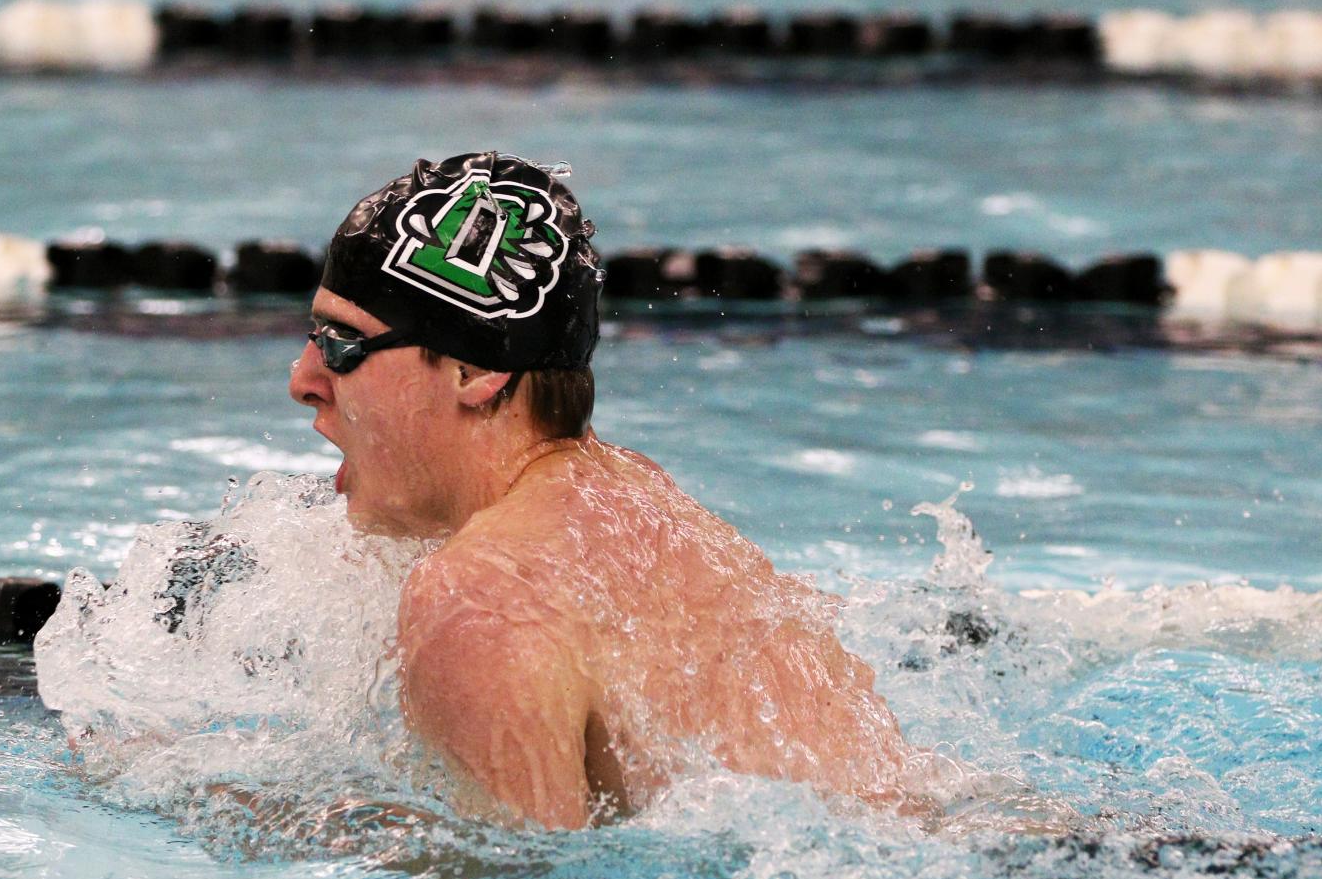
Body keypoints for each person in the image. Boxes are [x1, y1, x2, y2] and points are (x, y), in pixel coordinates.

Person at [288, 152, 925, 830]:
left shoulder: (476, 596)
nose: (302, 379)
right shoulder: (631, 491)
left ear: (473, 371)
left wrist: (278, 822)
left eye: (340, 342)